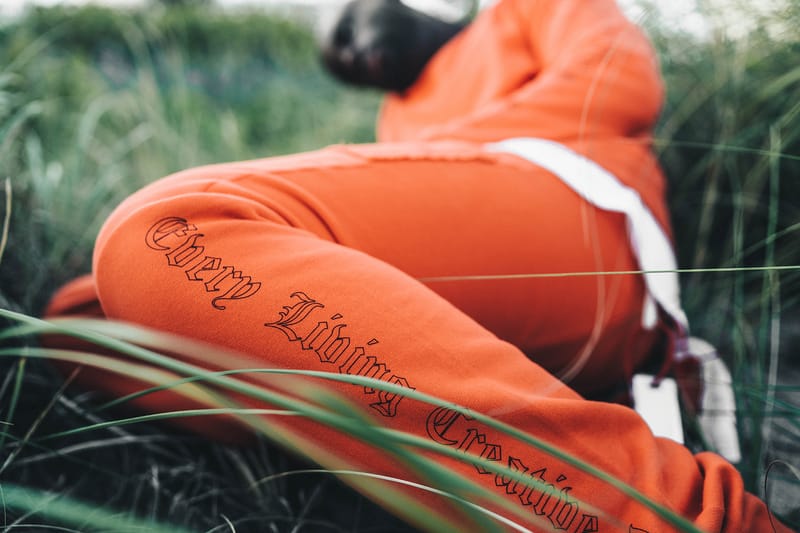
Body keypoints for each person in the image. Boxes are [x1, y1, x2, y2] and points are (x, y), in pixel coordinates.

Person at [45, 0, 792, 530]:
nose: (345, 50)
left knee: (170, 232)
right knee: (80, 317)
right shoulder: (400, 112)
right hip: (494, 316)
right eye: (339, 57)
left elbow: (620, 78)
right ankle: (352, 432)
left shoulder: (518, 13)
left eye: (344, 22)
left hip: (577, 208)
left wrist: (446, 150)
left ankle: (657, 516)